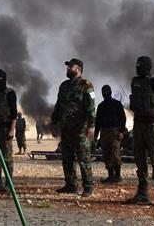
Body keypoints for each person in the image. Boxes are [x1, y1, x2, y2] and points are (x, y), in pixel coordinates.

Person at [125, 56, 154, 207]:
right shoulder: (135, 82)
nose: (138, 67)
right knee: (140, 159)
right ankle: (143, 193)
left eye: (140, 65)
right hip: (139, 124)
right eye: (136, 65)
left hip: (153, 125)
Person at [51, 58, 96, 198]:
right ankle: (71, 185)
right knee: (67, 158)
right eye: (67, 66)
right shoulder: (64, 86)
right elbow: (58, 105)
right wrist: (54, 121)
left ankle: (88, 186)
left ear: (78, 69)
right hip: (66, 129)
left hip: (80, 129)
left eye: (71, 66)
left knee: (84, 158)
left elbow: (91, 107)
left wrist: (91, 126)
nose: (68, 68)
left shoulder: (86, 85)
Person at [95, 84, 126, 184]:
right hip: (104, 132)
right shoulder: (101, 106)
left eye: (107, 91)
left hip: (115, 131)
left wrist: (121, 131)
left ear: (110, 92)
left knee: (115, 153)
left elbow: (123, 119)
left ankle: (117, 176)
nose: (105, 94)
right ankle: (110, 176)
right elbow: (98, 122)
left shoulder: (117, 104)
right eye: (104, 92)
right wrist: (96, 135)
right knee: (106, 154)